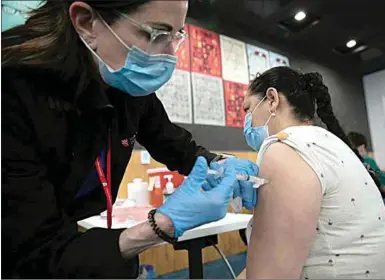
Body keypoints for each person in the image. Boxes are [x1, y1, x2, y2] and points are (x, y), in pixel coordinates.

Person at [1, 1, 258, 278]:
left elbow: (174, 144)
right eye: (157, 34)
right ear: (87, 22)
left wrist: (218, 163)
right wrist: (160, 225)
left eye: (176, 36)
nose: (170, 56)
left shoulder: (128, 86)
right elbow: (32, 252)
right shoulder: (13, 94)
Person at [238, 67, 385, 278]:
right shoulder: (330, 142)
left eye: (247, 109)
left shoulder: (285, 149)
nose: (246, 121)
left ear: (272, 99)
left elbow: (269, 275)